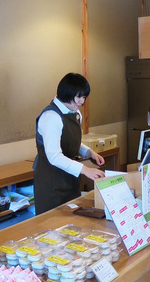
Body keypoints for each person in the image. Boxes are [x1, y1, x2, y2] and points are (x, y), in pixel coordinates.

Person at [33, 72, 105, 215]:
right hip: (51, 181)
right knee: (52, 222)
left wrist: (89, 152)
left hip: (68, 177)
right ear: (66, 93)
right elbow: (54, 156)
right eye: (78, 97)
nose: (82, 101)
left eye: (84, 97)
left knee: (72, 219)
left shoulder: (75, 113)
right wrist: (86, 170)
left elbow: (70, 140)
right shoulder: (51, 117)